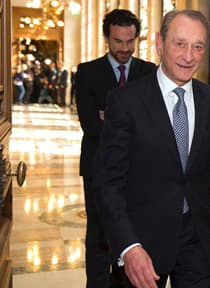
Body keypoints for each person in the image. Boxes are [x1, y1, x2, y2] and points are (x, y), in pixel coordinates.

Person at [93, 9, 210, 288]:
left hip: (197, 241)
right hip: (142, 243)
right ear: (159, 43)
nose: (189, 56)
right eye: (180, 44)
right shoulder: (125, 101)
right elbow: (107, 182)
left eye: (198, 46)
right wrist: (128, 246)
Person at [75, 9, 156, 288]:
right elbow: (90, 125)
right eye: (118, 41)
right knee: (98, 233)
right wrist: (132, 121)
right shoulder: (87, 72)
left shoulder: (149, 72)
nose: (125, 48)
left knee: (131, 229)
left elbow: (153, 124)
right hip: (97, 166)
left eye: (130, 41)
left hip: (138, 169)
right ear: (106, 38)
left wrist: (110, 116)